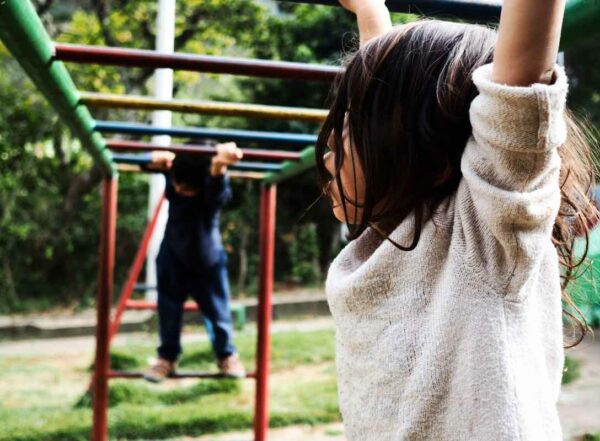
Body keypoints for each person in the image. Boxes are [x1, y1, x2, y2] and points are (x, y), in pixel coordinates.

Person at [315, 0, 597, 439]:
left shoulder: (483, 233)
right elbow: (387, 104)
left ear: (414, 145)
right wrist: (371, 11)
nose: (331, 140)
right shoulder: (389, 236)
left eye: (353, 124)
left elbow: (518, 100)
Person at [143, 142, 246, 382]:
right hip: (172, 256)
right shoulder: (175, 173)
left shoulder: (212, 191)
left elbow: (218, 187)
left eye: (187, 188)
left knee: (218, 312)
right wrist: (152, 157)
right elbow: (145, 162)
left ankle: (226, 355)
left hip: (207, 261)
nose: (180, 189)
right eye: (177, 185)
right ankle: (167, 357)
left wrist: (220, 164)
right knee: (168, 310)